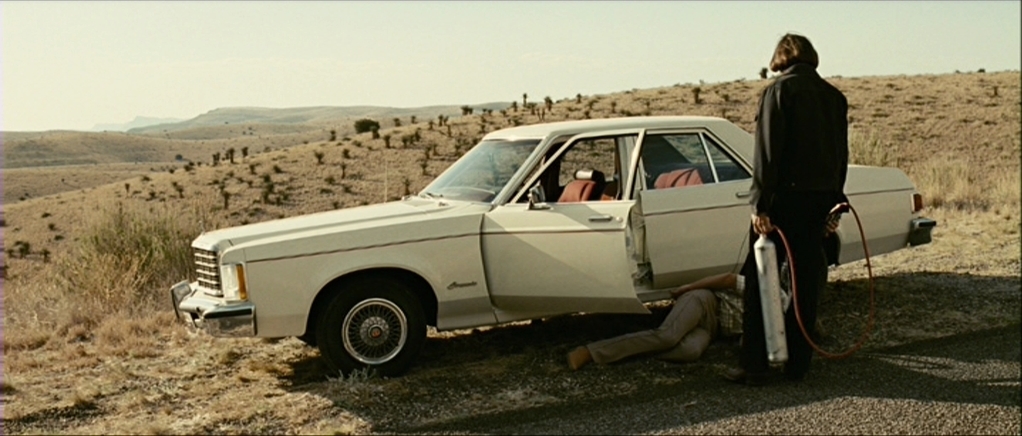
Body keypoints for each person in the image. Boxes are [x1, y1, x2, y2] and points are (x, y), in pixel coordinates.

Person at [725, 33, 849, 386]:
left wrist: (760, 204)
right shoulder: (834, 98)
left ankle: (755, 366)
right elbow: (841, 158)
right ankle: (798, 365)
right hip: (818, 203)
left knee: (759, 280)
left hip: (781, 203)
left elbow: (766, 154)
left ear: (781, 57)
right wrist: (835, 208)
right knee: (806, 283)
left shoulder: (777, 92)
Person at [566, 271, 746, 370]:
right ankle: (591, 352)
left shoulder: (773, 327)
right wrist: (688, 288)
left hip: (713, 329)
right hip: (706, 303)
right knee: (667, 336)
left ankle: (639, 350)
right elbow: (728, 279)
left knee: (690, 351)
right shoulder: (768, 288)